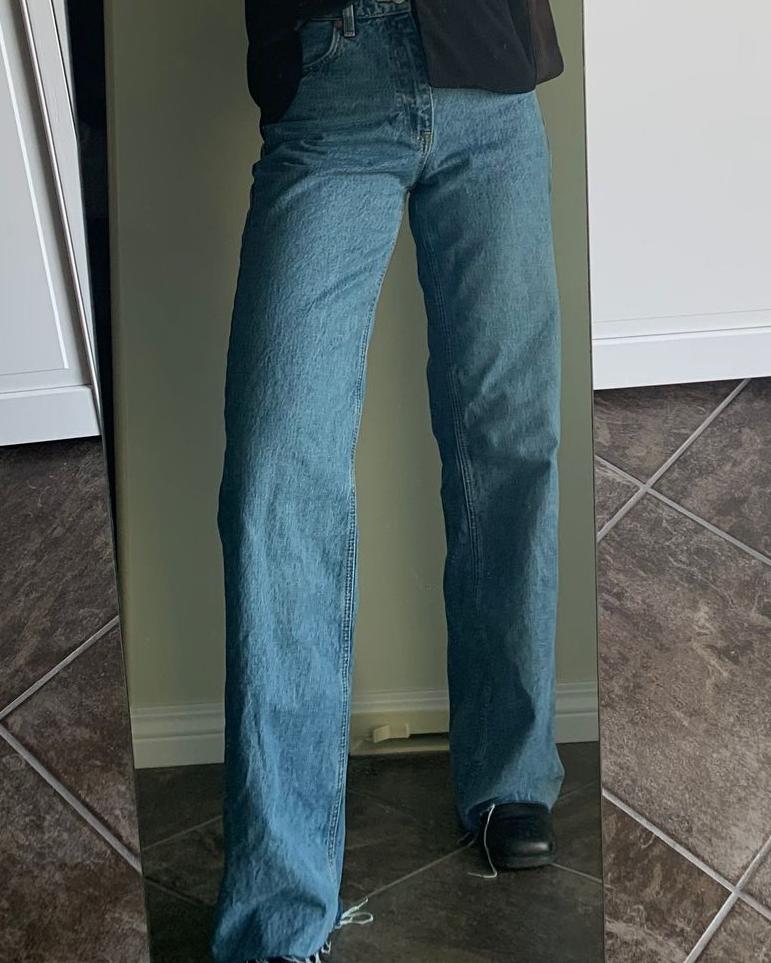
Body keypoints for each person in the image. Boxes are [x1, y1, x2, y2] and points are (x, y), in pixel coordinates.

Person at [213, 2, 566, 961]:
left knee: (509, 441)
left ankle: (509, 773)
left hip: (489, 78)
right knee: (274, 474)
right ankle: (278, 908)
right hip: (331, 72)